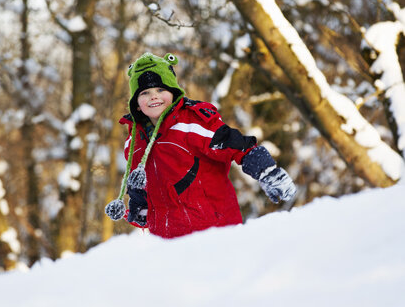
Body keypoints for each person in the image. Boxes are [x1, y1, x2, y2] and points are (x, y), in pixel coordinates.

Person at [105, 52, 296, 238]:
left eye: (160, 90)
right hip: (166, 243)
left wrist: (267, 171)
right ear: (136, 104)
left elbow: (237, 145)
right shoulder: (134, 142)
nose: (154, 96)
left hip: (214, 233)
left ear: (173, 92)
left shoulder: (191, 124)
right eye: (145, 93)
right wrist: (137, 209)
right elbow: (147, 191)